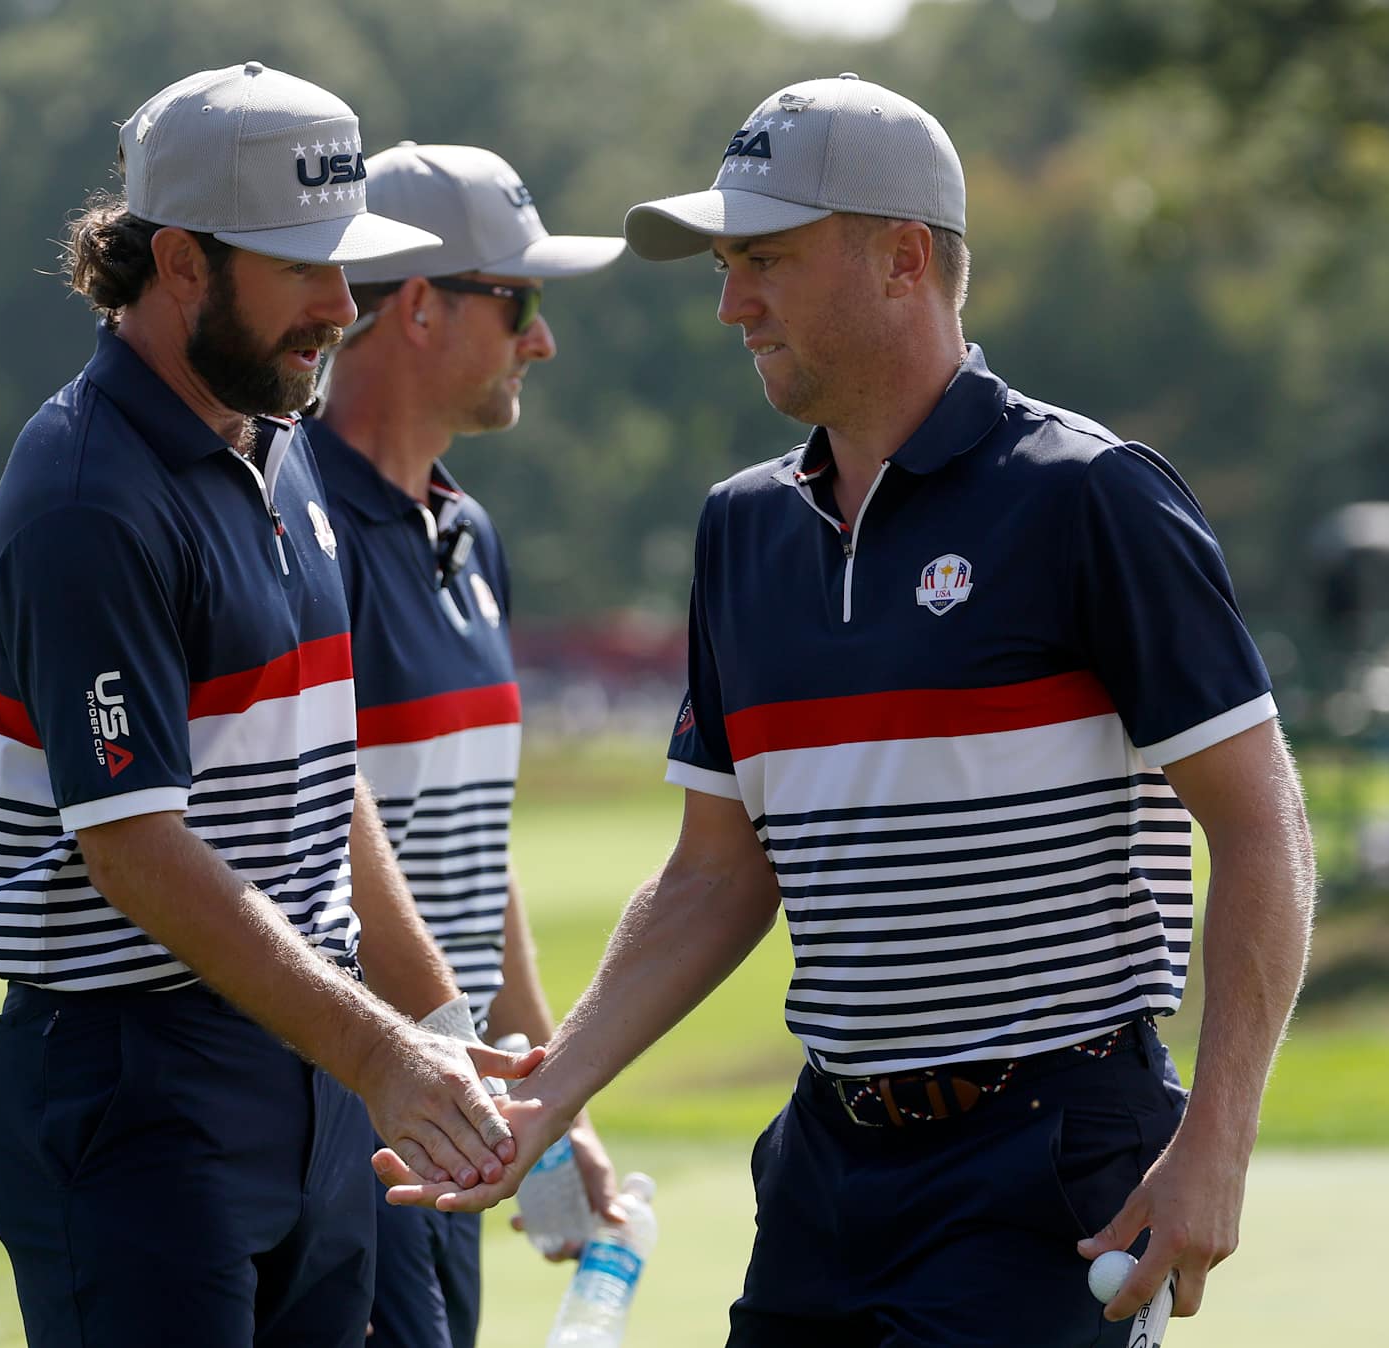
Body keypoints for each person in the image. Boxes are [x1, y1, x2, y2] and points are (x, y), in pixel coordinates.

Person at [375, 74, 1317, 1347]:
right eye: (725, 264)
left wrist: (1220, 1137)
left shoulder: (1091, 496)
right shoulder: (742, 529)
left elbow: (1264, 828)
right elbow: (716, 874)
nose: (731, 301)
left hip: (1051, 1160)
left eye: (764, 258)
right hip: (828, 1162)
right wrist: (550, 1094)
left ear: (903, 260)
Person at [0, 62, 541, 1348]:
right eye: (304, 269)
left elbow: (328, 782)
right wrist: (383, 1052)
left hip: (303, 1061)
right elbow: (135, 851)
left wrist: (432, 1028)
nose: (344, 305)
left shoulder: (278, 447)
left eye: (350, 266)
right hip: (133, 1086)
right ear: (179, 263)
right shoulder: (86, 496)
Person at [313, 142, 627, 1348]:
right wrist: (466, 1068)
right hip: (356, 1113)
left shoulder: (470, 534)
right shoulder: (301, 524)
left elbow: (470, 847)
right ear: (421, 307)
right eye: (522, 304)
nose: (541, 341)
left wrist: (542, 1092)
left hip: (450, 1101)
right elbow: (338, 827)